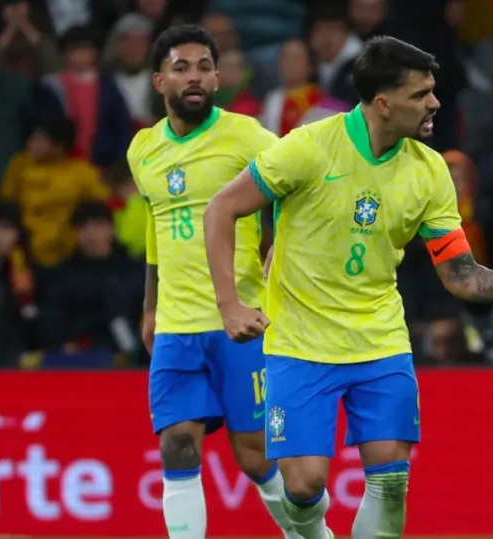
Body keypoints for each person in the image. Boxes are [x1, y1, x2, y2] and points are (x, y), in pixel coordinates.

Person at [204, 36, 493, 539]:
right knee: (305, 485)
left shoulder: (429, 170)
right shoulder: (308, 149)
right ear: (383, 103)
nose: (434, 104)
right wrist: (230, 305)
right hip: (299, 342)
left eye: (433, 92)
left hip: (380, 341)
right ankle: (306, 530)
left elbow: (459, 273)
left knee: (391, 481)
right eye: (421, 95)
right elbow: (222, 208)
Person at [125, 25, 296, 539]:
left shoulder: (248, 137)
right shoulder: (143, 151)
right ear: (159, 80)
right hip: (177, 326)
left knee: (254, 456)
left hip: (240, 321)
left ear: (218, 77)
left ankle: (309, 531)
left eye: (203, 67)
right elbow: (158, 229)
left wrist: (278, 253)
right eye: (181, 68)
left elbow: (299, 187)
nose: (194, 77)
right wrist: (150, 307)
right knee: (177, 442)